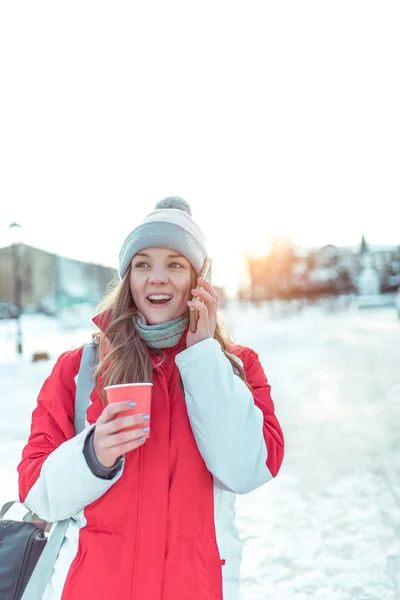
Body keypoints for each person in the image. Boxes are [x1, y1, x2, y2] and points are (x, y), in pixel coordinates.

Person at [17, 196, 285, 600]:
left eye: (175, 264)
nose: (157, 277)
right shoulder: (80, 367)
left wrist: (201, 358)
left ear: (199, 281)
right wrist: (92, 455)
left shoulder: (235, 366)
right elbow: (37, 493)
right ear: (128, 278)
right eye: (143, 263)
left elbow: (247, 470)